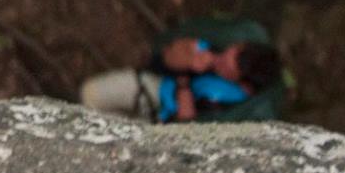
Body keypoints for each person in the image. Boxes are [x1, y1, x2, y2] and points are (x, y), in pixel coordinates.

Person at [79, 30, 283, 123]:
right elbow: (166, 56)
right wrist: (188, 58)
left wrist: (185, 81)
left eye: (225, 67)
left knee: (96, 127)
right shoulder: (218, 47)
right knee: (90, 95)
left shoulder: (232, 106)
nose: (220, 60)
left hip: (161, 127)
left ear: (244, 84)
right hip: (158, 88)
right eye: (226, 55)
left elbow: (186, 124)